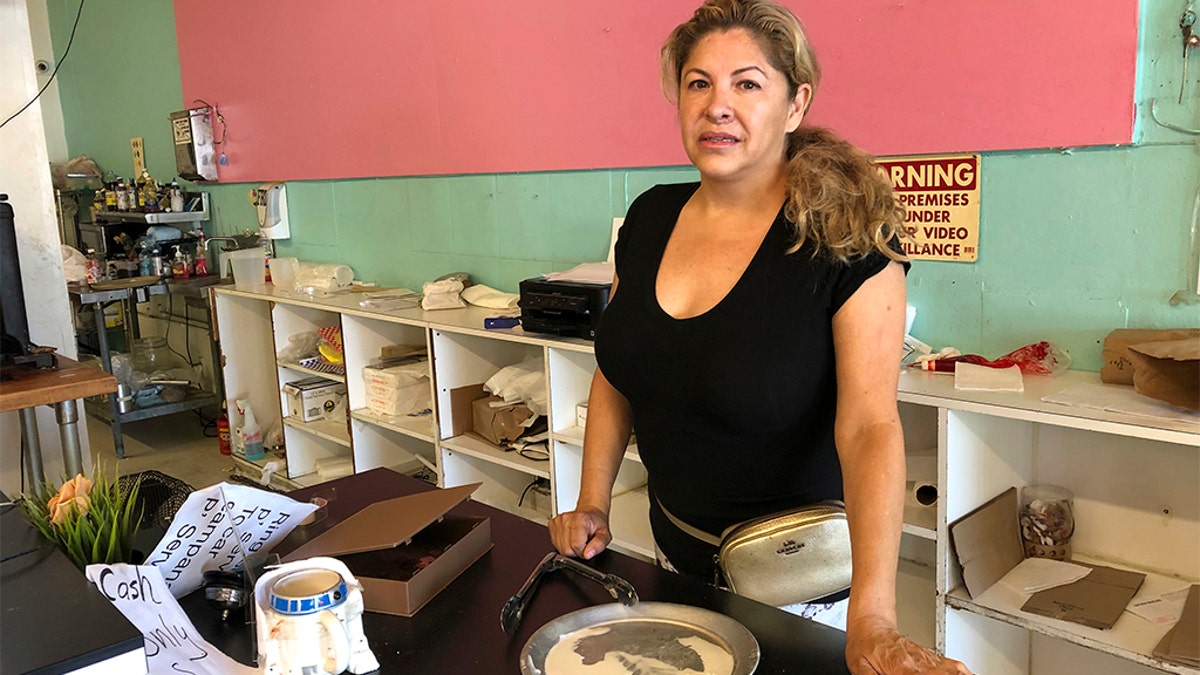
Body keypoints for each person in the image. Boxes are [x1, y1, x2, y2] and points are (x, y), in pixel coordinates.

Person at [548, 1, 972, 673]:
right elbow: (620, 369)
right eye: (699, 82)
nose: (718, 105)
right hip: (673, 563)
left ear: (796, 102)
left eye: (747, 83)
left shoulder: (846, 236)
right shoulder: (651, 216)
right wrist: (592, 500)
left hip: (797, 588)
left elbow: (869, 427)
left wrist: (872, 618)